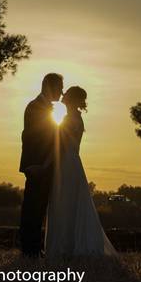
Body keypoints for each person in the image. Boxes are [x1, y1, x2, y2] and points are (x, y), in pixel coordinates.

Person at [44, 85, 117, 257]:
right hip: (72, 162)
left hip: (66, 164)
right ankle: (69, 244)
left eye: (67, 93)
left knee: (65, 202)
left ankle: (65, 246)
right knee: (69, 202)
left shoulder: (71, 119)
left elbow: (60, 145)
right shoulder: (74, 117)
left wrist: (46, 163)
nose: (63, 94)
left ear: (73, 99)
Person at [18, 72, 62, 257]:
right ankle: (30, 248)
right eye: (59, 88)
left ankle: (34, 247)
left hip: (45, 165)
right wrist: (36, 164)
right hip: (37, 166)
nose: (61, 92)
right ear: (49, 86)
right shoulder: (36, 107)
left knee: (40, 207)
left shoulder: (46, 108)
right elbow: (31, 138)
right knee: (33, 207)